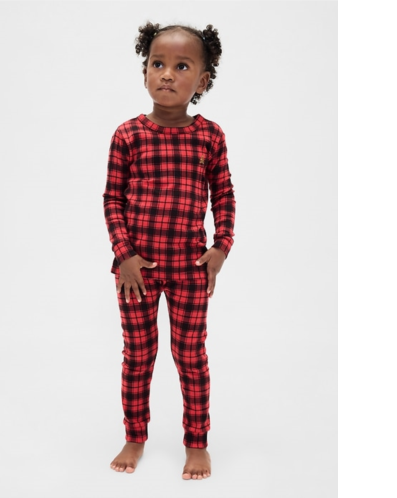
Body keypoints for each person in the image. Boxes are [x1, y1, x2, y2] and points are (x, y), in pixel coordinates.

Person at [103, 22, 236, 480]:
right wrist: (125, 255)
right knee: (137, 356)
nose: (166, 74)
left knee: (190, 356)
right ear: (144, 71)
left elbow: (224, 195)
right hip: (135, 273)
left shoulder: (210, 137)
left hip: (189, 270)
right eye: (157, 63)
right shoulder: (128, 135)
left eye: (181, 66)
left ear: (202, 80)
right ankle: (134, 436)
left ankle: (197, 443)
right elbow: (112, 199)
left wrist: (221, 246)